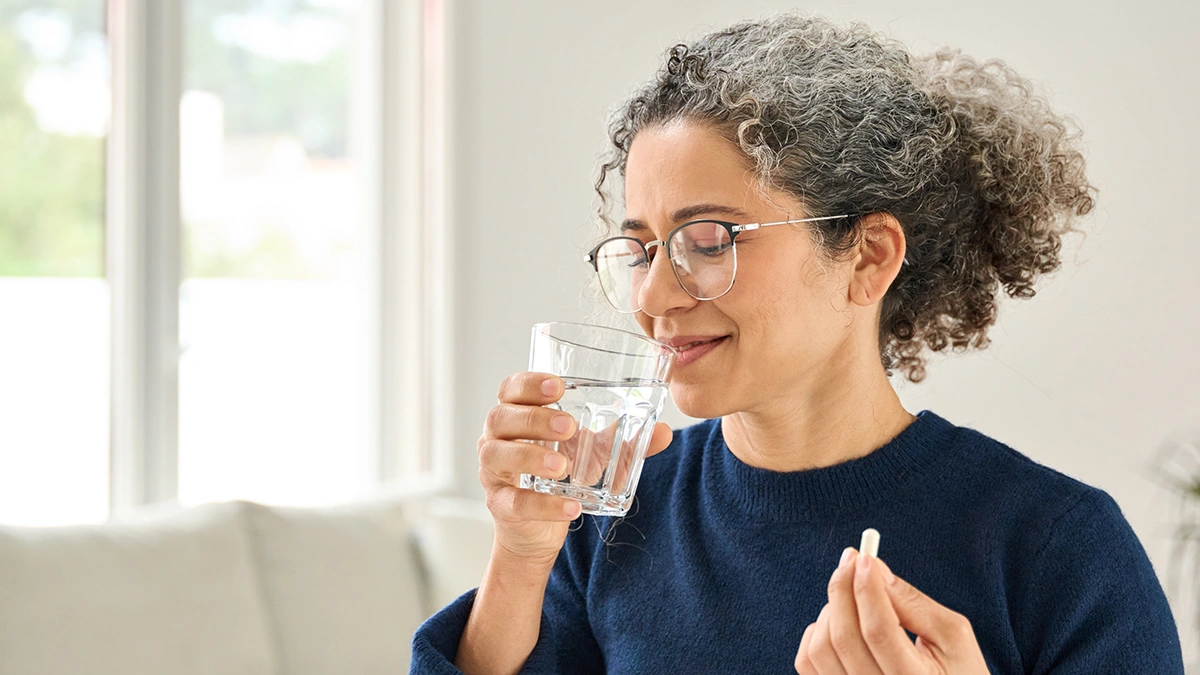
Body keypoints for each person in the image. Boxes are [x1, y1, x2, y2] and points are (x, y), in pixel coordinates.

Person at [411, 13, 1184, 674]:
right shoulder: (617, 517)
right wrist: (519, 552)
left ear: (870, 256)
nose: (651, 296)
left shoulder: (1057, 549)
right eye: (642, 247)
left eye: (709, 239)